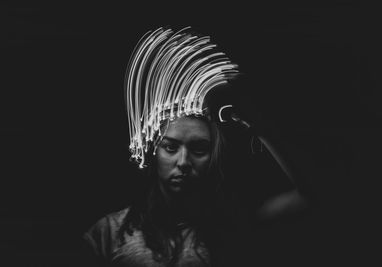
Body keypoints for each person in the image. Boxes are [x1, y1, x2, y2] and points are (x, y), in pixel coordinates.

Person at [81, 26, 312, 267]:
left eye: (199, 150)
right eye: (170, 148)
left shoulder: (235, 225)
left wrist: (261, 126)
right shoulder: (107, 233)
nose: (183, 162)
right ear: (154, 153)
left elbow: (311, 196)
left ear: (213, 156)